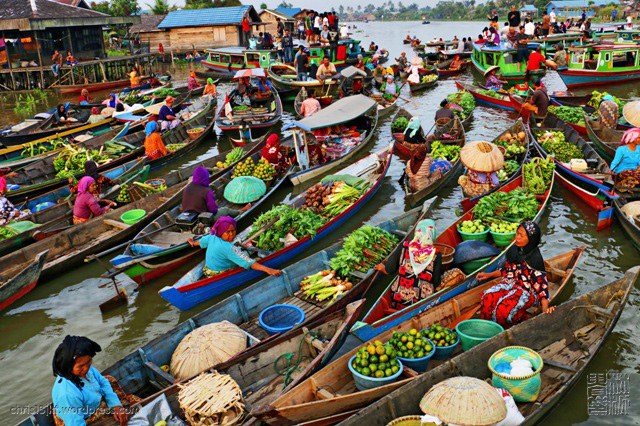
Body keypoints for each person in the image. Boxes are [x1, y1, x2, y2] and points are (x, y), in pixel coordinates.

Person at [51, 336, 139, 426]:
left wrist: (115, 405)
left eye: (89, 361)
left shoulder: (85, 369)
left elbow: (102, 382)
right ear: (68, 367)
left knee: (109, 381)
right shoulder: (67, 394)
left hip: (90, 404)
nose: (86, 368)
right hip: (79, 418)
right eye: (81, 366)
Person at [478, 222, 552, 327]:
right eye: (517, 233)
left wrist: (545, 309)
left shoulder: (535, 259)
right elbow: (507, 271)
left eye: (521, 235)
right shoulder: (514, 250)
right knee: (487, 296)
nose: (517, 237)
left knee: (503, 309)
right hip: (512, 282)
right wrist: (488, 275)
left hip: (528, 290)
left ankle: (508, 326)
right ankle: (488, 326)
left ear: (531, 239)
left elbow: (541, 287)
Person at [187, 216, 281, 277]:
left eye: (233, 231)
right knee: (251, 257)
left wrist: (192, 243)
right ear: (220, 232)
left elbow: (200, 242)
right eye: (228, 232)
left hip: (207, 269)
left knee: (240, 251)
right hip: (218, 273)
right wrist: (269, 270)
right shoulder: (228, 248)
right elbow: (248, 262)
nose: (231, 234)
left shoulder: (212, 236)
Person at [383, 220, 443, 308]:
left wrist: (382, 268)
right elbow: (436, 282)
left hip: (399, 298)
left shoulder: (404, 246)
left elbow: (389, 269)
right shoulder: (436, 254)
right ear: (432, 234)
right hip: (422, 302)